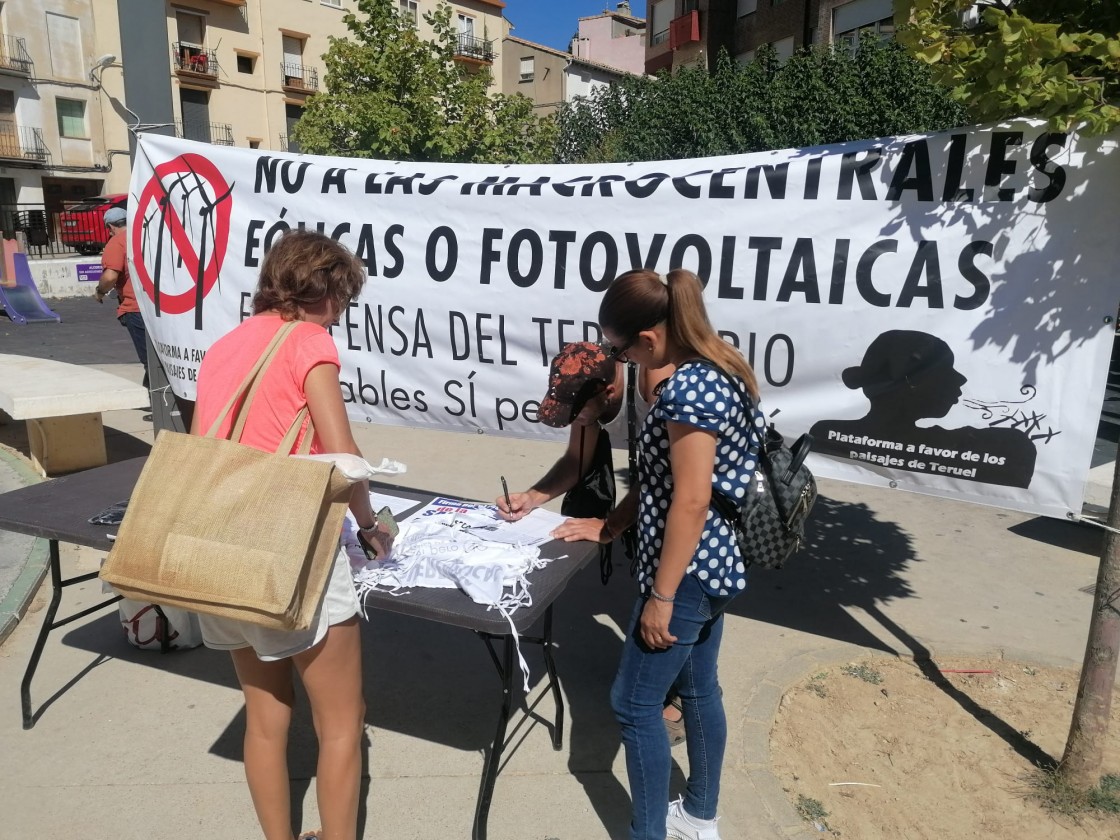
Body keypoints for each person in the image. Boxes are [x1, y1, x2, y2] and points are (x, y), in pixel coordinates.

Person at [191, 230, 392, 840]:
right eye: (344, 300)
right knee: (341, 722)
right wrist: (369, 522)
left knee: (265, 716)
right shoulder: (311, 342)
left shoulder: (224, 346)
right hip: (292, 544)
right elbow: (342, 456)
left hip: (219, 544)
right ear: (327, 292)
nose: (342, 312)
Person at [597, 268, 765, 840]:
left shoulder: (691, 388)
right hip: (713, 564)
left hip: (687, 571)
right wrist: (621, 517)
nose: (619, 359)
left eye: (619, 349)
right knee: (698, 688)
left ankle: (652, 834)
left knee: (634, 705)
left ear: (648, 340)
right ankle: (698, 816)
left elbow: (691, 501)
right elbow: (678, 477)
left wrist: (661, 596)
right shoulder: (720, 366)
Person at [494, 342, 686, 742]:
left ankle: (681, 697)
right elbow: (576, 462)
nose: (576, 421)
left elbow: (664, 479)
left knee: (670, 603)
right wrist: (533, 497)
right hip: (655, 493)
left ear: (609, 393)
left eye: (580, 413)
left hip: (688, 504)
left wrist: (610, 526)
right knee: (650, 593)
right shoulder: (590, 383)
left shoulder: (656, 384)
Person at [809, 330, 1037, 488]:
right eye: (945, 369)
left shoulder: (825, 433)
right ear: (910, 382)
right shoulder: (824, 434)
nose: (960, 379)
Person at [95, 206, 148, 389]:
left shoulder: (117, 242)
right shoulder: (146, 235)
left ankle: (158, 405)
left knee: (149, 360)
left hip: (135, 307)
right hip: (160, 307)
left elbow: (109, 277)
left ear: (110, 226)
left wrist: (99, 291)